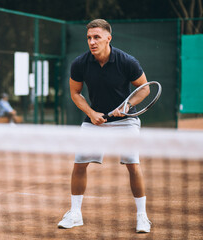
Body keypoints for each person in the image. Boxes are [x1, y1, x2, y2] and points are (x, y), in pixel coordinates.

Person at [57, 19, 152, 233]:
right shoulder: (80, 63)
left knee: (132, 164)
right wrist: (91, 113)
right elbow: (75, 93)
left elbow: (144, 89)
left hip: (125, 121)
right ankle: (75, 214)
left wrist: (127, 105)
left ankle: (142, 216)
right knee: (79, 163)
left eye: (97, 37)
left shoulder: (127, 61)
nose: (92, 41)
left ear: (108, 38)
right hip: (95, 120)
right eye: (89, 38)